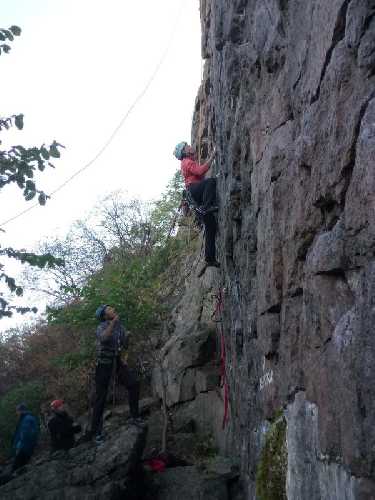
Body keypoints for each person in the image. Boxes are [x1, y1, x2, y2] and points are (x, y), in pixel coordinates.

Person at [90, 304, 143, 443]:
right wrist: (113, 323)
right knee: (101, 398)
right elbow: (103, 338)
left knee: (133, 384)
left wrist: (127, 337)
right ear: (104, 315)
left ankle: (135, 417)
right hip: (103, 363)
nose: (113, 309)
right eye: (109, 309)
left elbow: (124, 344)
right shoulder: (101, 326)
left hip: (116, 360)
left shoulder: (120, 325)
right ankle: (96, 432)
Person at [174, 142, 219, 270]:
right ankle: (206, 207)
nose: (190, 146)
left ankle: (209, 258)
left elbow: (198, 173)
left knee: (211, 225)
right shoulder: (187, 161)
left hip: (194, 194)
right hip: (194, 190)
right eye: (187, 146)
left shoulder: (187, 161)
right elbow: (200, 171)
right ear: (185, 151)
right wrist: (213, 156)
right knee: (211, 182)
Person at [10, 403, 39, 472]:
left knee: (15, 470)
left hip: (23, 449)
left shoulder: (26, 419)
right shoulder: (27, 418)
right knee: (21, 468)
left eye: (17, 411)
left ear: (21, 410)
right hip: (26, 448)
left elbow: (25, 434)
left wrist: (19, 447)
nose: (16, 413)